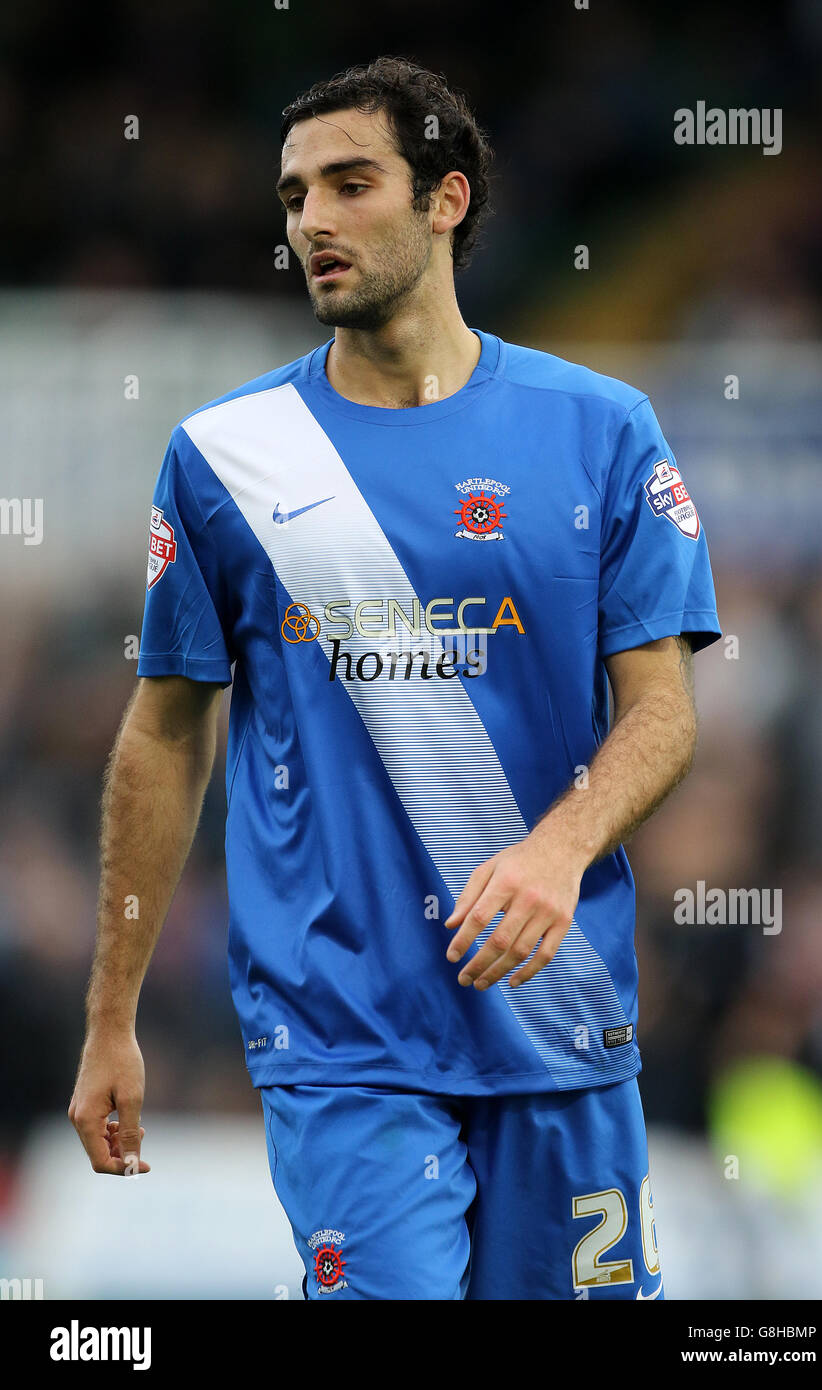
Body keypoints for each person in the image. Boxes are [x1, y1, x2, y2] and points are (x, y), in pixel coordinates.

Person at [69, 56, 721, 1300]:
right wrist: (112, 1015)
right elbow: (163, 733)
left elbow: (663, 712)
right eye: (292, 194)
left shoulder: (600, 430)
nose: (310, 220)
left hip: (561, 1027)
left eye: (350, 183)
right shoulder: (224, 456)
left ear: (445, 201)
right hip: (343, 1044)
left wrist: (558, 847)